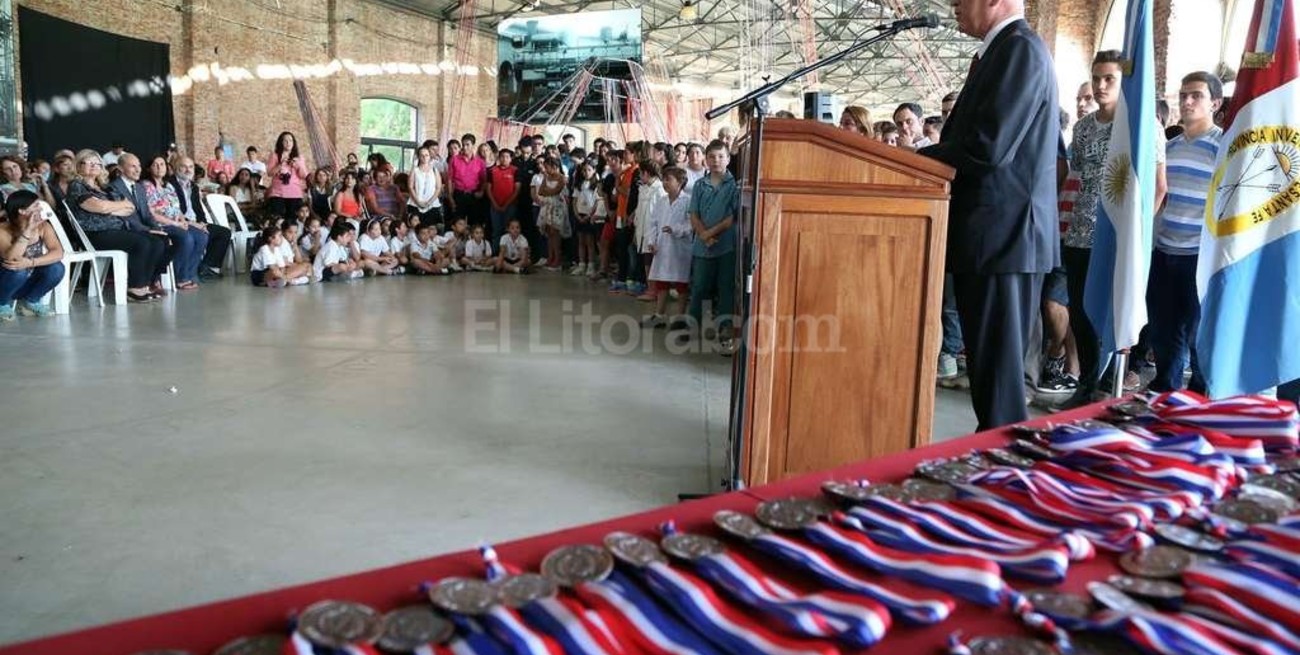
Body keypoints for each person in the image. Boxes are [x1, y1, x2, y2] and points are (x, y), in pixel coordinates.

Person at [917, 0, 1061, 430]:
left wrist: (916, 158)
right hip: (993, 240)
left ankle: (1005, 481)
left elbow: (988, 146)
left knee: (1000, 386)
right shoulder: (1002, 51)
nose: (955, 6)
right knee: (991, 378)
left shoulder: (1020, 50)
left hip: (1005, 239)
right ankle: (997, 469)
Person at [1058, 50, 1168, 408]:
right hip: (1079, 233)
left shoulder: (1141, 125)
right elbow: (1078, 176)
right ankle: (1087, 382)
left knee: (1112, 313)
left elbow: (1158, 186)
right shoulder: (1084, 127)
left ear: (1123, 83)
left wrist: (1135, 234)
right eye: (1097, 78)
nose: (1101, 85)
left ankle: (1107, 385)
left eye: (1110, 78)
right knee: (1081, 310)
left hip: (1118, 236)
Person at [1145, 71, 1222, 394]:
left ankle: (1200, 399)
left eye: (1197, 96)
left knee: (1198, 335)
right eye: (1183, 95)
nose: (1187, 101)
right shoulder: (1169, 148)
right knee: (1164, 331)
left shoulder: (1224, 147)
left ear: (1215, 103)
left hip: (1199, 255)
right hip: (1164, 250)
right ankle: (1166, 394)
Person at [66, 150, 169, 302]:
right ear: (78, 166)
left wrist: (108, 208)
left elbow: (129, 208)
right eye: (89, 163)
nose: (94, 166)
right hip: (94, 234)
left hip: (115, 229)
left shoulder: (104, 187)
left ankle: (145, 284)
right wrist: (110, 207)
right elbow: (99, 206)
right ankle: (135, 288)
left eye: (97, 163)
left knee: (158, 241)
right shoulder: (77, 185)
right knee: (142, 243)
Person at [121, 154, 207, 291]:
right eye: (155, 164)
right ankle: (181, 277)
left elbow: (176, 208)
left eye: (162, 164)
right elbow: (151, 213)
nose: (159, 167)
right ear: (149, 168)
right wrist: (176, 224)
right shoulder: (145, 185)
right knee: (187, 238)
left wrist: (183, 220)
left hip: (175, 222)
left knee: (201, 236)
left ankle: (190, 273)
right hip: (161, 224)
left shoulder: (169, 186)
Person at [686, 140, 740, 352]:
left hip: (725, 245)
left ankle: (725, 329)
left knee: (726, 288)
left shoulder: (734, 185)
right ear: (705, 160)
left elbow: (732, 217)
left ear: (728, 159)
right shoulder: (700, 185)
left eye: (720, 156)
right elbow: (693, 213)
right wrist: (703, 235)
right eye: (712, 157)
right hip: (702, 245)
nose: (716, 161)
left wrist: (710, 233)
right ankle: (693, 326)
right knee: (699, 286)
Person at [0, 191, 64, 321]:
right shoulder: (3, 230)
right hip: (6, 282)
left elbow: (58, 252)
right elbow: (11, 259)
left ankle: (31, 302)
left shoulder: (44, 226)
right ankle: (2, 304)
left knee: (57, 268)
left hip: (26, 281)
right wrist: (28, 230)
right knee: (18, 271)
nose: (40, 208)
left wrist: (31, 262)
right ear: (22, 211)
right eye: (35, 205)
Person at [642, 166, 693, 329]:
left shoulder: (688, 201)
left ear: (680, 182)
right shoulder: (662, 201)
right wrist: (652, 241)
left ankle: (680, 317)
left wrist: (676, 229)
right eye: (663, 179)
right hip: (662, 247)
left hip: (680, 248)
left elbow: (692, 224)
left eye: (668, 179)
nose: (664, 182)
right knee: (661, 281)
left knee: (681, 283)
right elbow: (653, 223)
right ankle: (659, 315)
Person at [169, 157, 232, 279]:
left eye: (191, 167)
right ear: (177, 168)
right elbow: (174, 212)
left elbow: (198, 209)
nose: (188, 170)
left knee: (224, 233)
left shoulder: (193, 186)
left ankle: (207, 267)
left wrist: (203, 223)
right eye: (184, 166)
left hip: (197, 222)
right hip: (181, 222)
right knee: (197, 235)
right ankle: (184, 273)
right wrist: (194, 224)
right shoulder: (170, 185)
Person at [633, 161, 665, 300]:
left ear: (646, 173)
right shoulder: (644, 188)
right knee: (647, 260)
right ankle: (651, 288)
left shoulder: (659, 189)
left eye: (641, 173)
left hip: (654, 231)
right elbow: (639, 211)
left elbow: (661, 213)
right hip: (642, 230)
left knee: (652, 262)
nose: (640, 176)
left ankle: (654, 291)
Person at [265, 132, 309, 221]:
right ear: (281, 142)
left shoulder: (299, 157)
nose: (288, 143)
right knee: (278, 220)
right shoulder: (275, 155)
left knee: (292, 221)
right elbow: (269, 173)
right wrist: (280, 164)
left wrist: (297, 165)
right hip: (278, 193)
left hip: (294, 194)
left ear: (294, 143)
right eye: (285, 140)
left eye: (290, 140)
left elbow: (304, 175)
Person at [534, 157, 568, 272]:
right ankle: (550, 257)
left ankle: (557, 259)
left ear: (554, 167)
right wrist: (548, 190)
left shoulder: (562, 178)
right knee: (548, 233)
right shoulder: (546, 177)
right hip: (547, 207)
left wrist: (547, 190)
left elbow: (556, 191)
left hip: (558, 208)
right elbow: (540, 191)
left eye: (547, 167)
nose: (545, 169)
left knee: (556, 233)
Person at [486, 149, 519, 245]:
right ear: (499, 158)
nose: (504, 159)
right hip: (495, 206)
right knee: (496, 230)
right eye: (502, 156)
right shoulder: (492, 171)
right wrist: (494, 204)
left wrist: (506, 205)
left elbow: (517, 190)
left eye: (507, 157)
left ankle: (507, 254)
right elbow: (488, 189)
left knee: (509, 231)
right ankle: (495, 252)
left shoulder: (515, 170)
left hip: (510, 206)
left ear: (511, 159)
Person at [571, 160, 599, 277]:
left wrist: (589, 215)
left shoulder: (596, 185)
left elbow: (597, 202)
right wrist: (577, 214)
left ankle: (591, 265)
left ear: (594, 171)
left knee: (590, 242)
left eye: (589, 170)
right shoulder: (579, 184)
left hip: (590, 216)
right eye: (584, 170)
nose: (586, 172)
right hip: (580, 215)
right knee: (581, 241)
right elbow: (574, 201)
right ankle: (582, 264)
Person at [406, 147, 443, 230]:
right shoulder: (415, 170)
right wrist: (418, 202)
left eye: (426, 155)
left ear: (429, 156)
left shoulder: (434, 170)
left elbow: (438, 187)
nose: (424, 157)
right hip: (415, 203)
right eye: (422, 155)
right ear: (418, 157)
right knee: (416, 228)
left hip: (432, 204)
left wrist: (430, 202)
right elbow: (410, 187)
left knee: (431, 228)